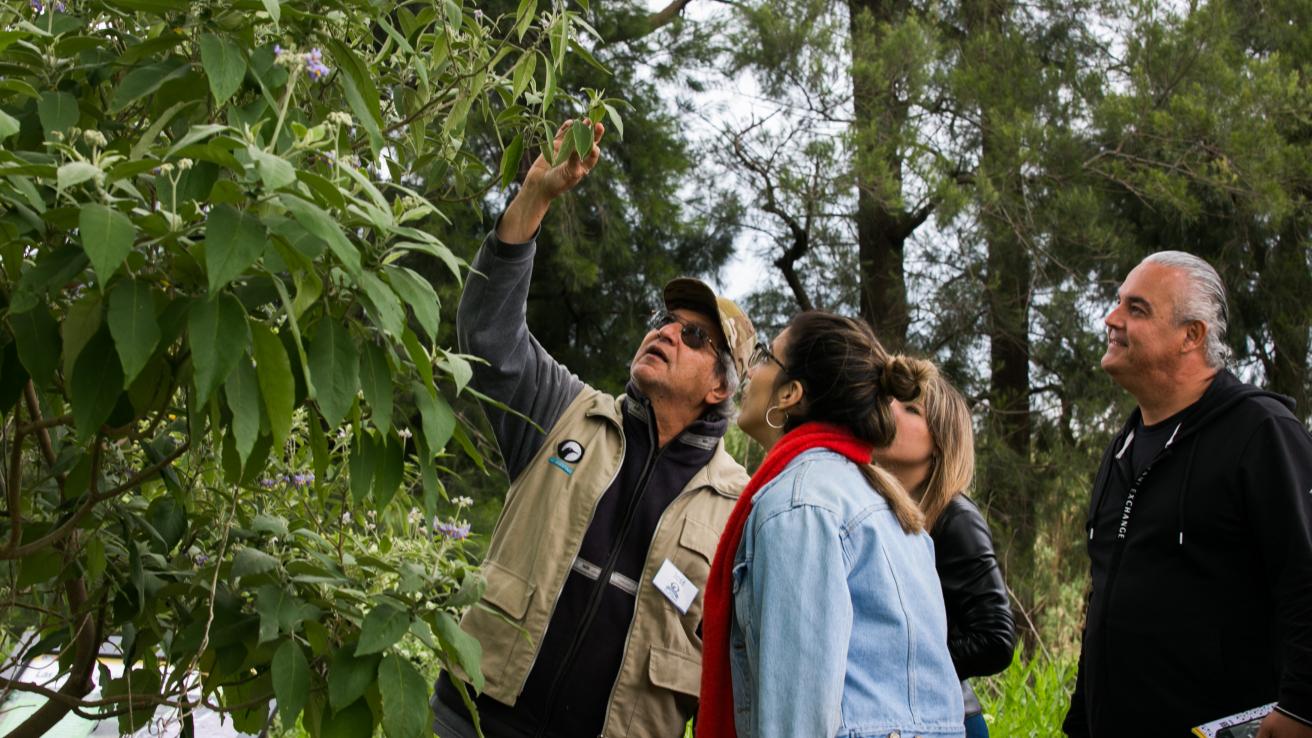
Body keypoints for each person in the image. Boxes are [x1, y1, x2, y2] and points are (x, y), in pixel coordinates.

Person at [430, 119, 757, 738]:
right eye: (664, 319)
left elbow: (744, 666)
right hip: (473, 719)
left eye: (693, 335)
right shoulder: (567, 412)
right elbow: (488, 338)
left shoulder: (740, 507)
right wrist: (535, 197)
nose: (665, 331)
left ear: (720, 386)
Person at [1063, 251, 1312, 738]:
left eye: (1136, 309)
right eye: (1117, 303)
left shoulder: (1261, 432)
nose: (1111, 319)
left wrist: (1302, 708)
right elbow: (1106, 599)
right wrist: (1080, 723)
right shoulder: (1122, 450)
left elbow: (1306, 576)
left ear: (1191, 335)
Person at [698, 311, 965, 738]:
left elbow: (797, 722)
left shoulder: (800, 505)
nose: (750, 369)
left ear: (791, 394)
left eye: (766, 356)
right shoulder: (884, 501)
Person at [874, 367, 1016, 738]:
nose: (890, 409)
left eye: (911, 409)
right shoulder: (872, 510)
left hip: (951, 723)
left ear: (939, 441)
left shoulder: (956, 518)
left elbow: (995, 639)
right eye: (890, 400)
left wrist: (898, 664)